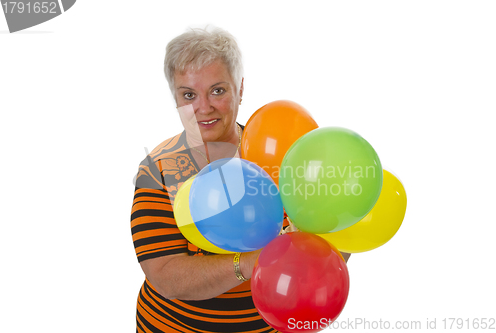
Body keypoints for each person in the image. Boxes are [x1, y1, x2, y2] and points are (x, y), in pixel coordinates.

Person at [130, 26, 350, 333]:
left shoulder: (284, 152)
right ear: (176, 98)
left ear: (241, 89)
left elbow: (331, 241)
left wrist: (323, 239)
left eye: (218, 90)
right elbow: (166, 276)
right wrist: (250, 262)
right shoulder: (158, 170)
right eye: (189, 94)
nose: (203, 108)